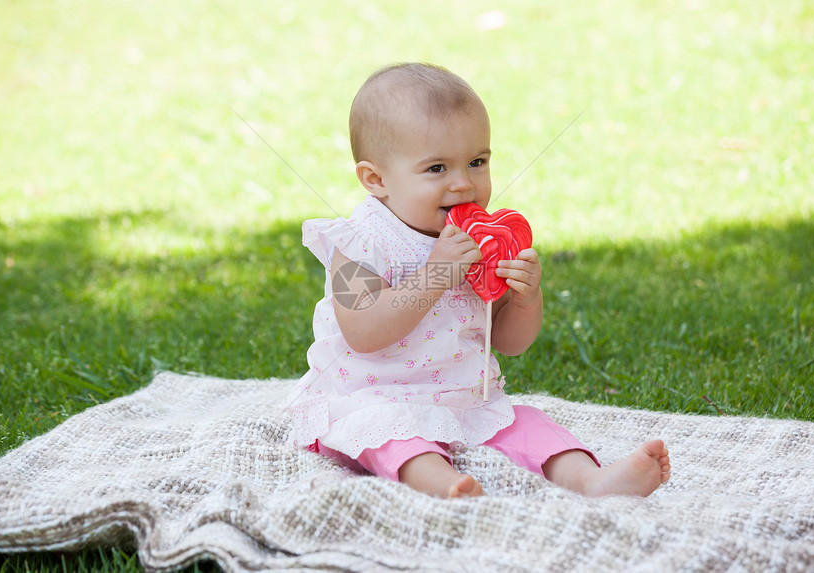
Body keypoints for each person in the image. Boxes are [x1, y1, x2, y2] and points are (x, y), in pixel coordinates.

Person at [286, 62, 671, 498]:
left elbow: (508, 341)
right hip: (371, 398)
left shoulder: (481, 242)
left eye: (476, 162)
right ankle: (447, 487)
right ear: (376, 180)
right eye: (436, 169)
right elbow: (363, 332)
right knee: (393, 436)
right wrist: (436, 275)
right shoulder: (358, 242)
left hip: (465, 398)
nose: (463, 184)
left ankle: (592, 479)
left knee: (528, 424)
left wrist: (525, 299)